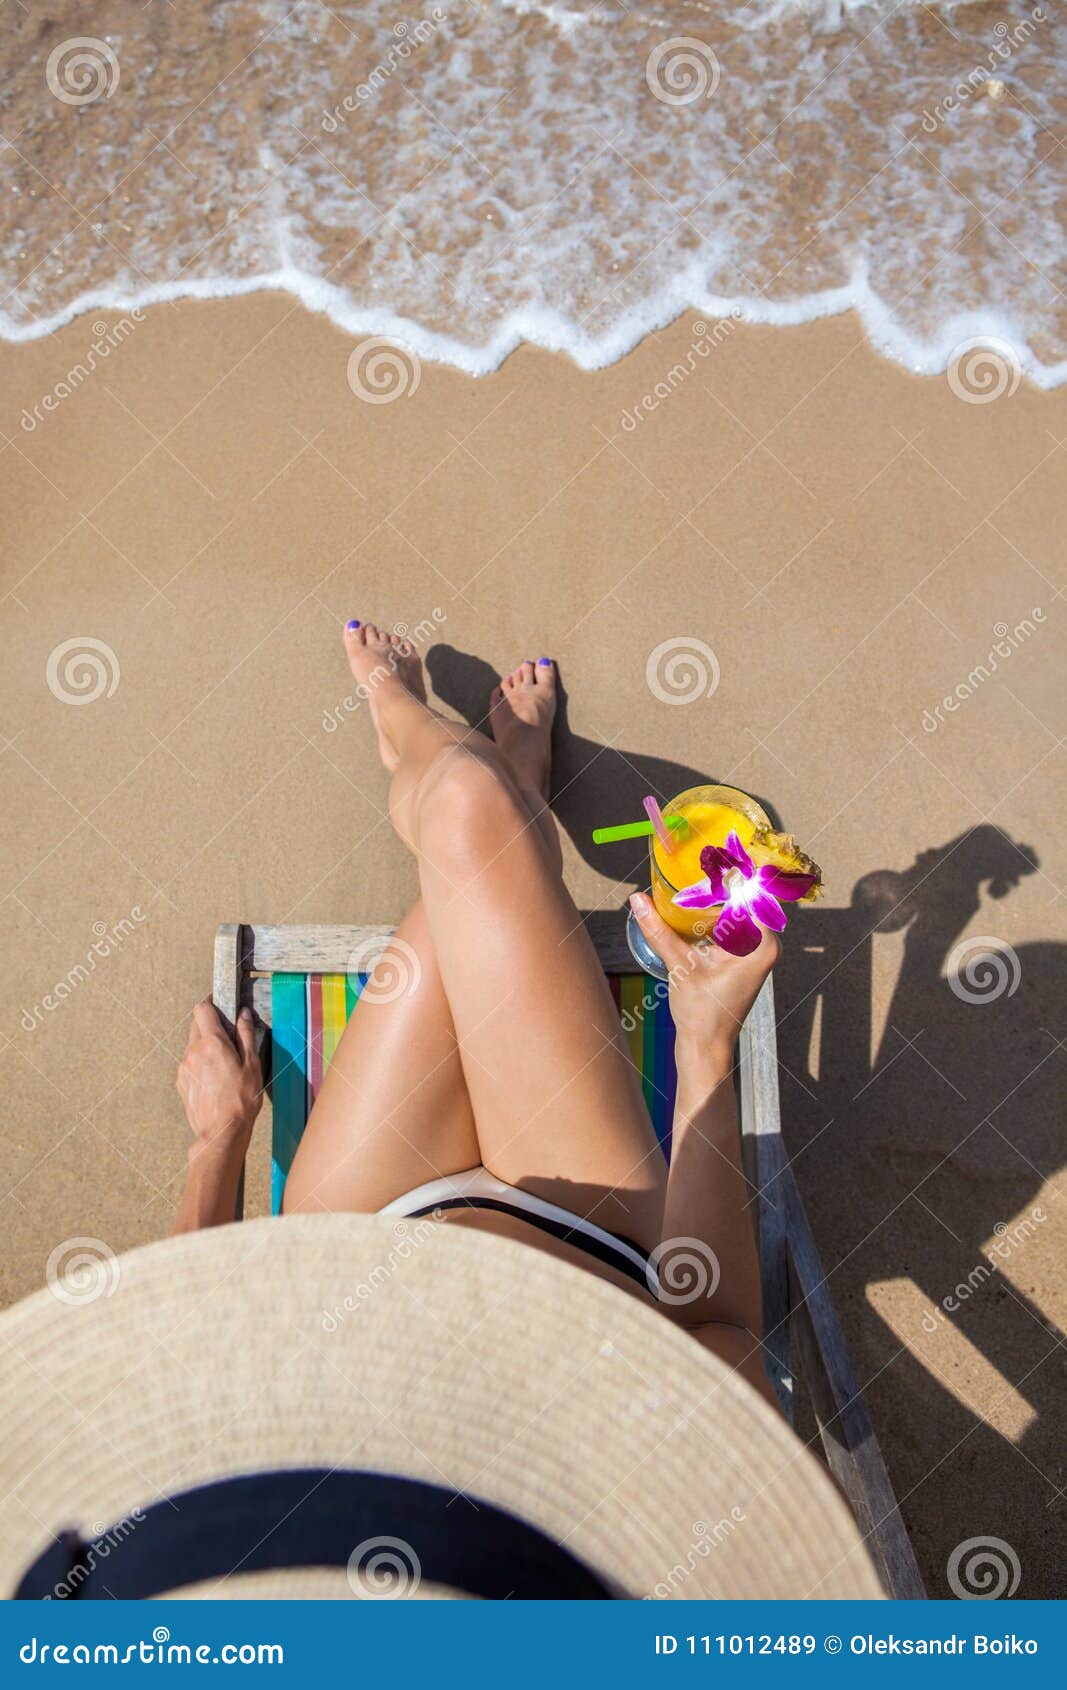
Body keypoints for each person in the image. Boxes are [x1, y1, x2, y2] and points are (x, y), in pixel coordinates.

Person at [173, 624, 780, 1407]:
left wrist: (216, 1142)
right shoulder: (685, 1508)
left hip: (367, 1222)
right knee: (473, 810)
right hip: (588, 1228)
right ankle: (473, 767)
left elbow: (192, 1332)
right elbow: (721, 1329)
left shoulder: (255, 1520)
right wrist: (702, 1043)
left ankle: (406, 719)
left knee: (468, 816)